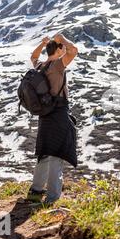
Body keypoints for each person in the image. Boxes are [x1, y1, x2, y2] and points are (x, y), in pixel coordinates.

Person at [27, 34, 79, 204]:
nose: (64, 50)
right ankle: (52, 198)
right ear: (57, 50)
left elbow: (33, 57)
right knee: (57, 153)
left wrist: (42, 44)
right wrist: (62, 38)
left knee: (44, 153)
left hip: (45, 114)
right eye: (61, 48)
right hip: (58, 113)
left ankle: (36, 190)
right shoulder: (57, 65)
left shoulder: (41, 66)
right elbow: (74, 50)